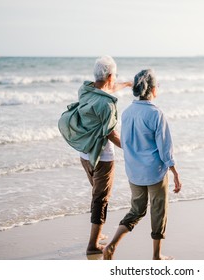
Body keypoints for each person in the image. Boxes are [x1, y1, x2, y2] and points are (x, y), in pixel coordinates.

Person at [103, 69, 182, 260]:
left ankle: (111, 245)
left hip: (134, 172)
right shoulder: (156, 114)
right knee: (158, 212)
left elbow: (127, 142)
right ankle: (156, 256)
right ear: (153, 89)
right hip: (155, 172)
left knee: (136, 211)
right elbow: (165, 149)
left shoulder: (127, 112)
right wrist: (175, 172)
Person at [58, 55, 131, 255]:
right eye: (114, 76)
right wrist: (131, 147)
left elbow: (105, 90)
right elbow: (111, 133)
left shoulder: (85, 90)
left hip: (85, 155)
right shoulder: (107, 105)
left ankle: (97, 234)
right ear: (109, 76)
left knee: (97, 195)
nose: (115, 79)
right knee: (101, 199)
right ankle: (92, 245)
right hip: (103, 158)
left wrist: (125, 84)